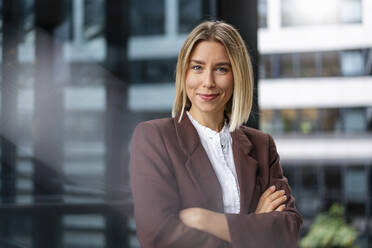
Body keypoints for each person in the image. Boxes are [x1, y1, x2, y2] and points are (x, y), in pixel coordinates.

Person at [129, 21, 302, 248]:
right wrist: (254, 226)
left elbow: (287, 232)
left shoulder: (262, 145)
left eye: (221, 69)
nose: (208, 82)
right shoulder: (154, 138)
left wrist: (208, 220)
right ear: (184, 73)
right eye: (197, 68)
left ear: (237, 75)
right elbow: (158, 236)